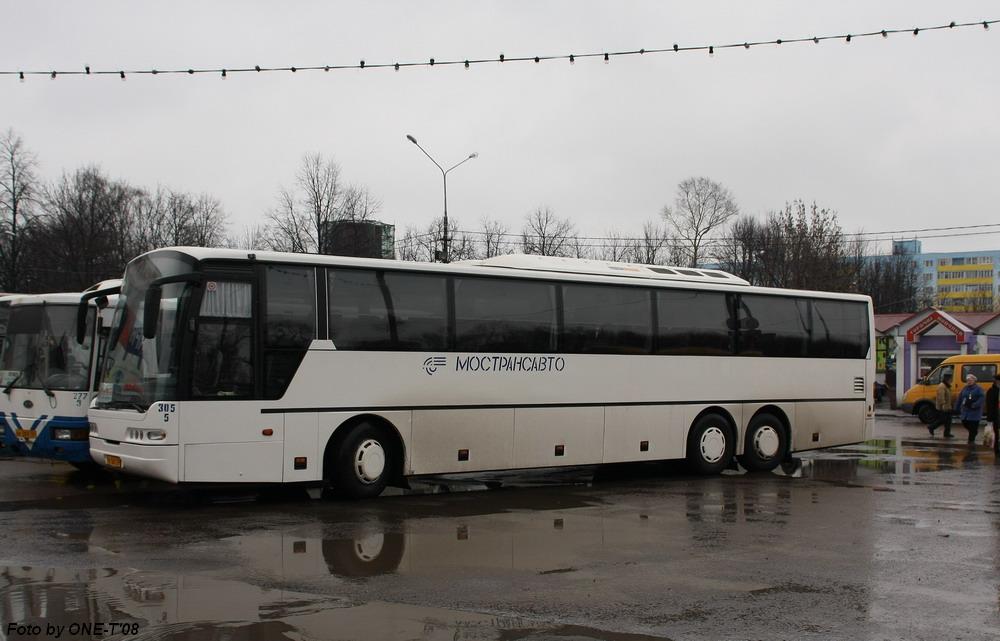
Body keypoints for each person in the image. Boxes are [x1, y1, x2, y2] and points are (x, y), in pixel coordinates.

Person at [955, 374, 985, 444]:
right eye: (968, 380)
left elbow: (981, 398)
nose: (969, 381)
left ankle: (971, 442)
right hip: (965, 411)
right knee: (964, 422)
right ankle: (974, 432)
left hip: (975, 412)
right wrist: (956, 407)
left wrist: (975, 405)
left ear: (974, 381)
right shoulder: (965, 388)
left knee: (973, 426)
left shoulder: (978, 389)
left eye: (970, 380)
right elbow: (960, 398)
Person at [928, 374, 953, 438]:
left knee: (948, 421)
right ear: (947, 379)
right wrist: (943, 405)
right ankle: (931, 427)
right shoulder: (942, 386)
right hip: (943, 407)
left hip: (948, 406)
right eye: (950, 379)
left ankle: (947, 433)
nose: (951, 380)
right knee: (942, 420)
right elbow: (941, 397)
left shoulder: (947, 386)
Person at [987, 373, 1000, 454]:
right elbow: (990, 405)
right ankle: (997, 450)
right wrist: (990, 418)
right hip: (997, 416)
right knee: (997, 434)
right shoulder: (992, 391)